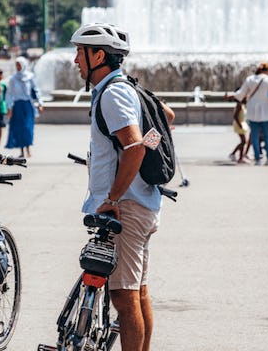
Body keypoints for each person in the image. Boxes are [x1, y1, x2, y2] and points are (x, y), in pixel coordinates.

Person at [71, 22, 174, 351]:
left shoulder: (114, 93)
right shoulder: (124, 87)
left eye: (80, 53)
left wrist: (112, 196)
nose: (75, 60)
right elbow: (165, 117)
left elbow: (134, 147)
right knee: (138, 291)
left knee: (124, 296)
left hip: (126, 207)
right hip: (142, 201)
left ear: (98, 55)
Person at [231, 62, 268, 165]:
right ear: (267, 70)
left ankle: (257, 159)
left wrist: (231, 96)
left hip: (252, 112)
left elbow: (240, 94)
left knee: (254, 136)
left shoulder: (250, 79)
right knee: (267, 136)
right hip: (267, 112)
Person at [5, 56, 44, 158]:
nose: (17, 67)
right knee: (19, 128)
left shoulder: (30, 77)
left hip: (27, 106)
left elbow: (36, 90)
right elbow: (9, 94)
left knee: (27, 127)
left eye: (19, 65)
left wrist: (40, 103)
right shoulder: (13, 79)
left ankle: (28, 149)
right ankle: (22, 151)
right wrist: (9, 107)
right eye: (16, 65)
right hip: (17, 106)